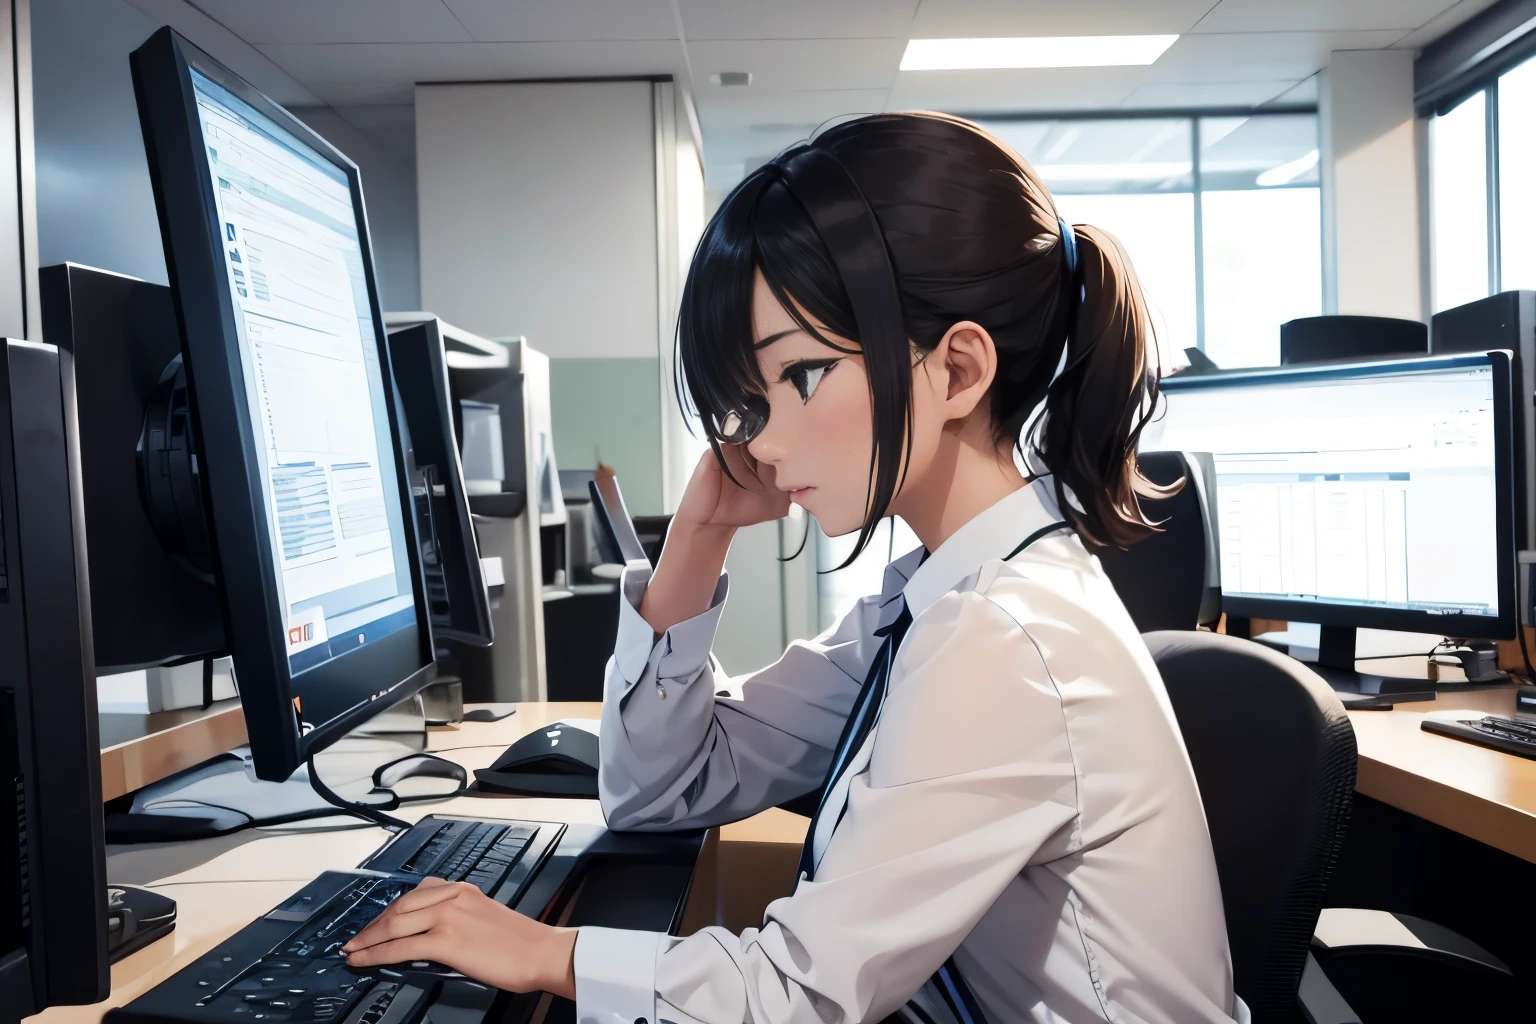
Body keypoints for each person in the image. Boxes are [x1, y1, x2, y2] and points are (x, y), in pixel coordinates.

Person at [343, 111, 1246, 1024]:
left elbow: (800, 995)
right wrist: (696, 538)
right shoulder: (935, 605)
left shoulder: (1003, 639)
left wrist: (544, 952)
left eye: (801, 377)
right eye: (752, 394)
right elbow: (660, 790)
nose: (761, 439)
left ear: (959, 370)